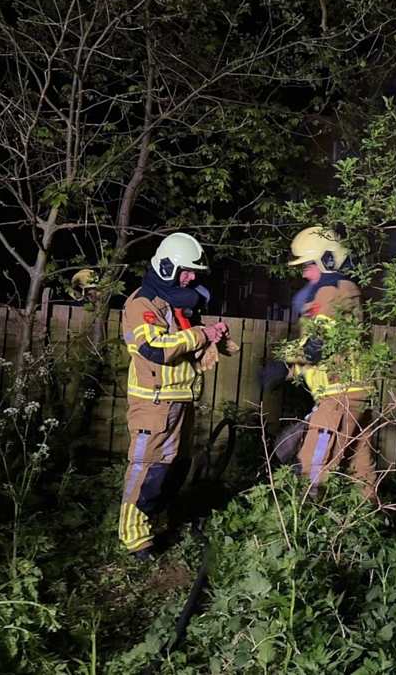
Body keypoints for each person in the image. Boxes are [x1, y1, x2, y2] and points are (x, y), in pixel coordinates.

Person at [118, 232, 229, 560]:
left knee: (175, 470)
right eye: (187, 271)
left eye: (195, 272)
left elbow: (185, 344)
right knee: (148, 470)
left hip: (180, 401)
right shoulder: (143, 303)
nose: (192, 278)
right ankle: (135, 540)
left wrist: (210, 340)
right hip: (153, 403)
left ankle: (156, 527)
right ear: (167, 267)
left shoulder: (177, 304)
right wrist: (199, 336)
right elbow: (153, 348)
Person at [258, 226, 377, 502]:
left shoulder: (330, 292)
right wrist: (288, 371)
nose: (304, 274)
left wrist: (283, 359)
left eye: (308, 266)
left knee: (311, 467)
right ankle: (368, 520)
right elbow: (330, 350)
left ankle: (305, 521)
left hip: (338, 395)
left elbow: (316, 348)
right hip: (353, 392)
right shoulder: (344, 290)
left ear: (327, 260)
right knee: (361, 470)